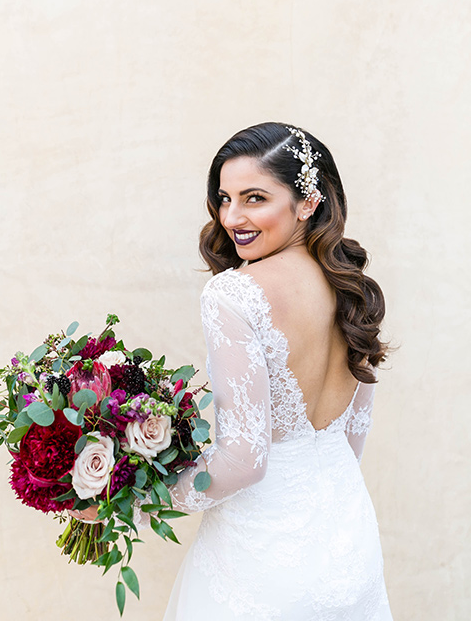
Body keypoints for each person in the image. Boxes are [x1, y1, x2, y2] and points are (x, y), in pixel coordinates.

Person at [149, 122, 394, 619]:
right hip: (349, 545)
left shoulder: (234, 293)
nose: (232, 217)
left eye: (255, 198)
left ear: (308, 201)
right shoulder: (355, 290)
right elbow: (352, 438)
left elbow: (243, 460)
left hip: (259, 557)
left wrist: (136, 499)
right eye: (224, 198)